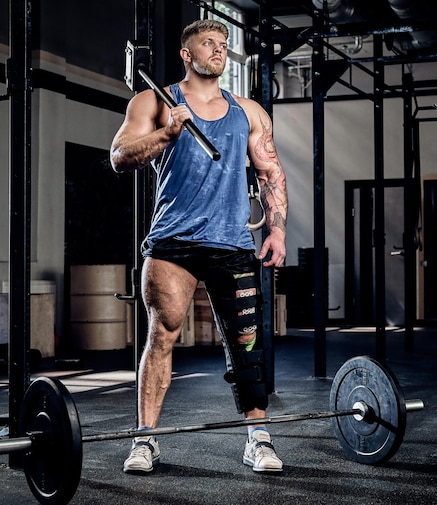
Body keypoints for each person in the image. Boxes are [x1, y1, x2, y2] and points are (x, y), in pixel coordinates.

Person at [109, 19, 288, 474]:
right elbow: (119, 156)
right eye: (209, 43)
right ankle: (144, 440)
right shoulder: (154, 101)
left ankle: (258, 438)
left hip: (231, 242)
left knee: (248, 344)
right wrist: (166, 134)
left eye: (225, 44)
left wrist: (278, 230)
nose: (220, 50)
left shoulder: (248, 112)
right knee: (161, 336)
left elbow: (271, 174)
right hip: (173, 243)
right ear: (187, 55)